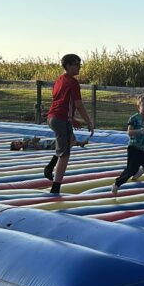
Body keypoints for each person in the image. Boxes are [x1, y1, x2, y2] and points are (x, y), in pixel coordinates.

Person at [45, 54, 93, 196]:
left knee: (71, 141)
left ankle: (50, 166)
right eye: (77, 64)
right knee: (65, 155)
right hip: (60, 119)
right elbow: (78, 104)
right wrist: (89, 121)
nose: (79, 67)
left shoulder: (59, 80)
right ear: (68, 66)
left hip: (54, 117)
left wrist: (71, 119)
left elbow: (63, 101)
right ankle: (55, 187)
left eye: (80, 64)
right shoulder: (73, 82)